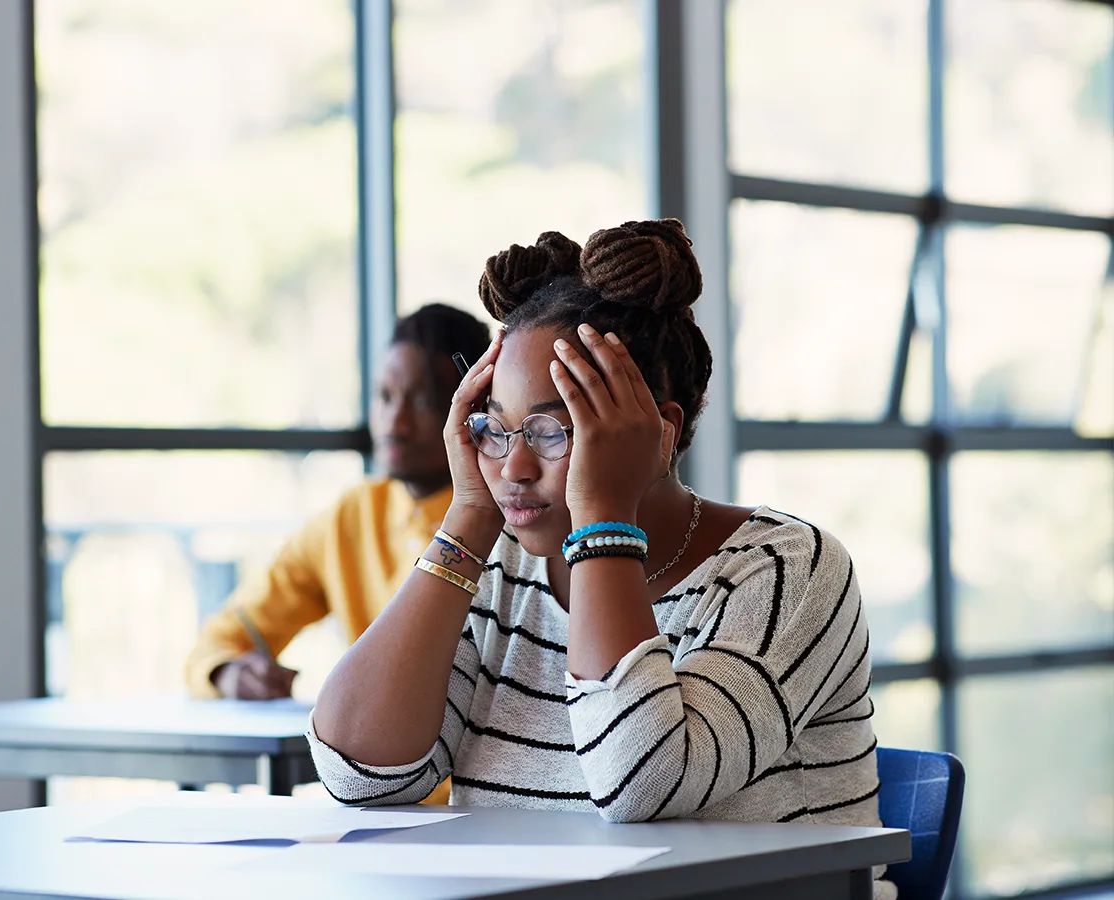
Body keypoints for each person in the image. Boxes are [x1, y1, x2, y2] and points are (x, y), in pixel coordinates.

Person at [308, 219, 892, 895]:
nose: (513, 466)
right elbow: (360, 775)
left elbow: (642, 784)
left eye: (554, 430)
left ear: (659, 432)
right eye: (494, 429)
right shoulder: (502, 568)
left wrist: (603, 519)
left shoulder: (788, 569)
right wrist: (467, 518)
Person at [184, 303, 492, 702]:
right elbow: (221, 639)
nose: (393, 424)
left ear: (473, 405)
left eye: (422, 403)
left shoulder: (509, 517)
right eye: (384, 396)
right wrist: (227, 672)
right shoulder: (351, 516)